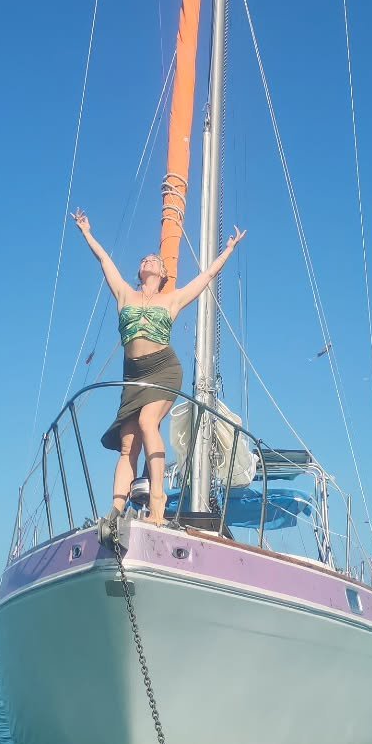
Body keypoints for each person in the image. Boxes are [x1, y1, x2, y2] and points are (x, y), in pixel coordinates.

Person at [71, 209, 246, 525]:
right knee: (128, 444)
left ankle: (157, 503)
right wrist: (86, 232)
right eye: (144, 260)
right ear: (140, 272)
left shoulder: (172, 300)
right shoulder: (124, 293)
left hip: (164, 368)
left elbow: (206, 277)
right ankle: (115, 510)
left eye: (155, 260)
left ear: (163, 273)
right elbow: (104, 261)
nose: (149, 260)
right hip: (133, 376)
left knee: (148, 422)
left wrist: (229, 250)